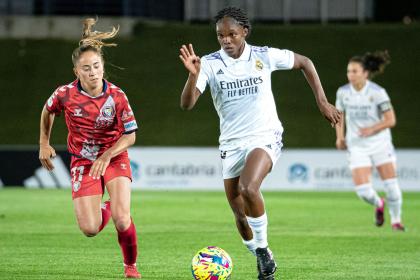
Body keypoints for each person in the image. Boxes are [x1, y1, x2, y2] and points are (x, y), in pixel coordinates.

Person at [178, 7, 341, 280]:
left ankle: (264, 250)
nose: (226, 40)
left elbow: (305, 62)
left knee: (248, 188)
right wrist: (193, 74)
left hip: (265, 136)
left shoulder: (264, 56)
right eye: (220, 35)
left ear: (245, 32)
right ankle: (262, 259)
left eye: (232, 34)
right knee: (240, 217)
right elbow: (187, 104)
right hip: (231, 143)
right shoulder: (209, 63)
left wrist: (322, 101)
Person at [39, 18, 141, 278]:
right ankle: (106, 207)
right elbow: (48, 111)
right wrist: (44, 143)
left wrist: (107, 155)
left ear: (103, 67)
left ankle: (130, 267)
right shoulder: (65, 94)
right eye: (86, 68)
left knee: (122, 219)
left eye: (96, 66)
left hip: (114, 155)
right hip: (83, 161)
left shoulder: (117, 96)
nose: (93, 72)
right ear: (77, 72)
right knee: (90, 229)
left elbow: (130, 135)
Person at [335, 51, 405, 231]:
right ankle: (379, 203)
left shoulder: (378, 92)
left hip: (380, 144)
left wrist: (371, 129)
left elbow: (391, 120)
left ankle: (396, 221)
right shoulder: (343, 93)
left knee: (392, 187)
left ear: (365, 73)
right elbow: (339, 116)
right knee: (364, 192)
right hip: (357, 146)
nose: (350, 75)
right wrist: (340, 137)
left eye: (354, 71)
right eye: (348, 71)